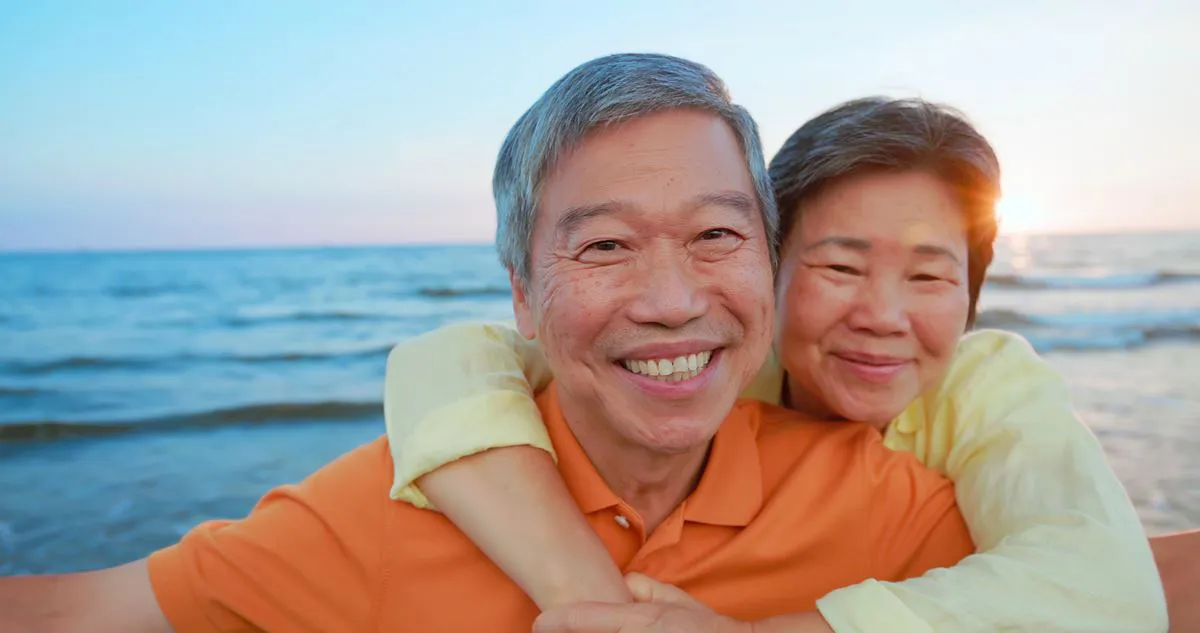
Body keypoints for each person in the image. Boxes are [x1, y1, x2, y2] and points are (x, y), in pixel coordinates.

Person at [0, 53, 982, 633]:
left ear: (767, 260)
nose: (675, 300)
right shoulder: (378, 515)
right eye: (604, 246)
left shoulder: (887, 503)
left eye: (717, 235)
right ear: (521, 293)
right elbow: (66, 614)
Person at [381, 97, 1182, 630]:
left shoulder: (987, 386)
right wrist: (582, 594)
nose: (883, 315)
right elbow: (445, 363)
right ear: (765, 263)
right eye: (840, 267)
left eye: (932, 275)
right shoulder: (704, 361)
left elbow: (1107, 589)